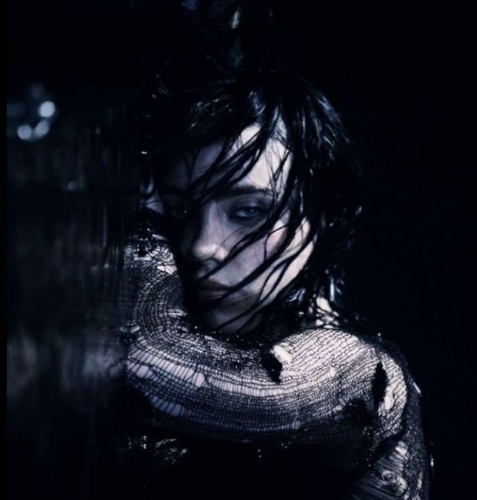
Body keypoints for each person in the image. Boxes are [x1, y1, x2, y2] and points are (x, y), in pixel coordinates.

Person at [122, 71, 430, 499]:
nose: (200, 246)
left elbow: (152, 366)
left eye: (249, 211)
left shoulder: (360, 374)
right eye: (178, 211)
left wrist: (145, 226)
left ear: (323, 215)